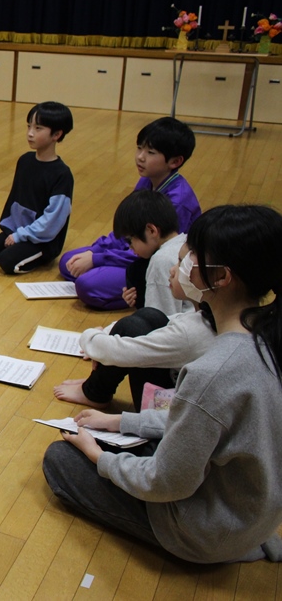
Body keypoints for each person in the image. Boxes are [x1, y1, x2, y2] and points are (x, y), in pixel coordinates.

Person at [43, 205, 282, 564]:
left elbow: (166, 482)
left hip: (205, 531)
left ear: (221, 276)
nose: (182, 262)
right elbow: (201, 423)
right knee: (128, 443)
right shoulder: (266, 337)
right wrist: (121, 421)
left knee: (60, 458)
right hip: (252, 516)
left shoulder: (213, 370)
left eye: (192, 255)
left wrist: (98, 456)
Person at [53, 241, 216, 410]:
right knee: (149, 316)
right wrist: (106, 333)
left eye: (181, 263)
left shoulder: (191, 333)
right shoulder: (204, 318)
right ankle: (94, 389)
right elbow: (172, 320)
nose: (172, 270)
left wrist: (90, 337)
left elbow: (123, 351)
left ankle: (94, 392)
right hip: (183, 399)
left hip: (171, 415)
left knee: (132, 329)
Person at [58, 117, 201, 310]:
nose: (140, 157)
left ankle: (140, 294)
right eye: (139, 148)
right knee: (67, 261)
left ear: (175, 161)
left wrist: (98, 259)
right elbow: (128, 228)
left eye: (150, 152)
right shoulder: (148, 180)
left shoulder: (178, 201)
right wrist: (95, 250)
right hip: (136, 250)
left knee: (86, 285)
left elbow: (156, 253)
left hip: (151, 264)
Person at [0, 101, 74, 274]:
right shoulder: (25, 160)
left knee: (7, 262)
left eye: (38, 128)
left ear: (57, 134)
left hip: (43, 240)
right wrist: (14, 233)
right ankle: (17, 246)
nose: (30, 133)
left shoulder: (62, 174)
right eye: (29, 126)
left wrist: (21, 236)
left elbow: (52, 220)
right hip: (16, 232)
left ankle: (37, 255)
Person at [111, 190, 190, 316]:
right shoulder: (187, 242)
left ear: (151, 231)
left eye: (130, 240)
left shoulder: (161, 260)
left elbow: (159, 321)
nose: (130, 247)